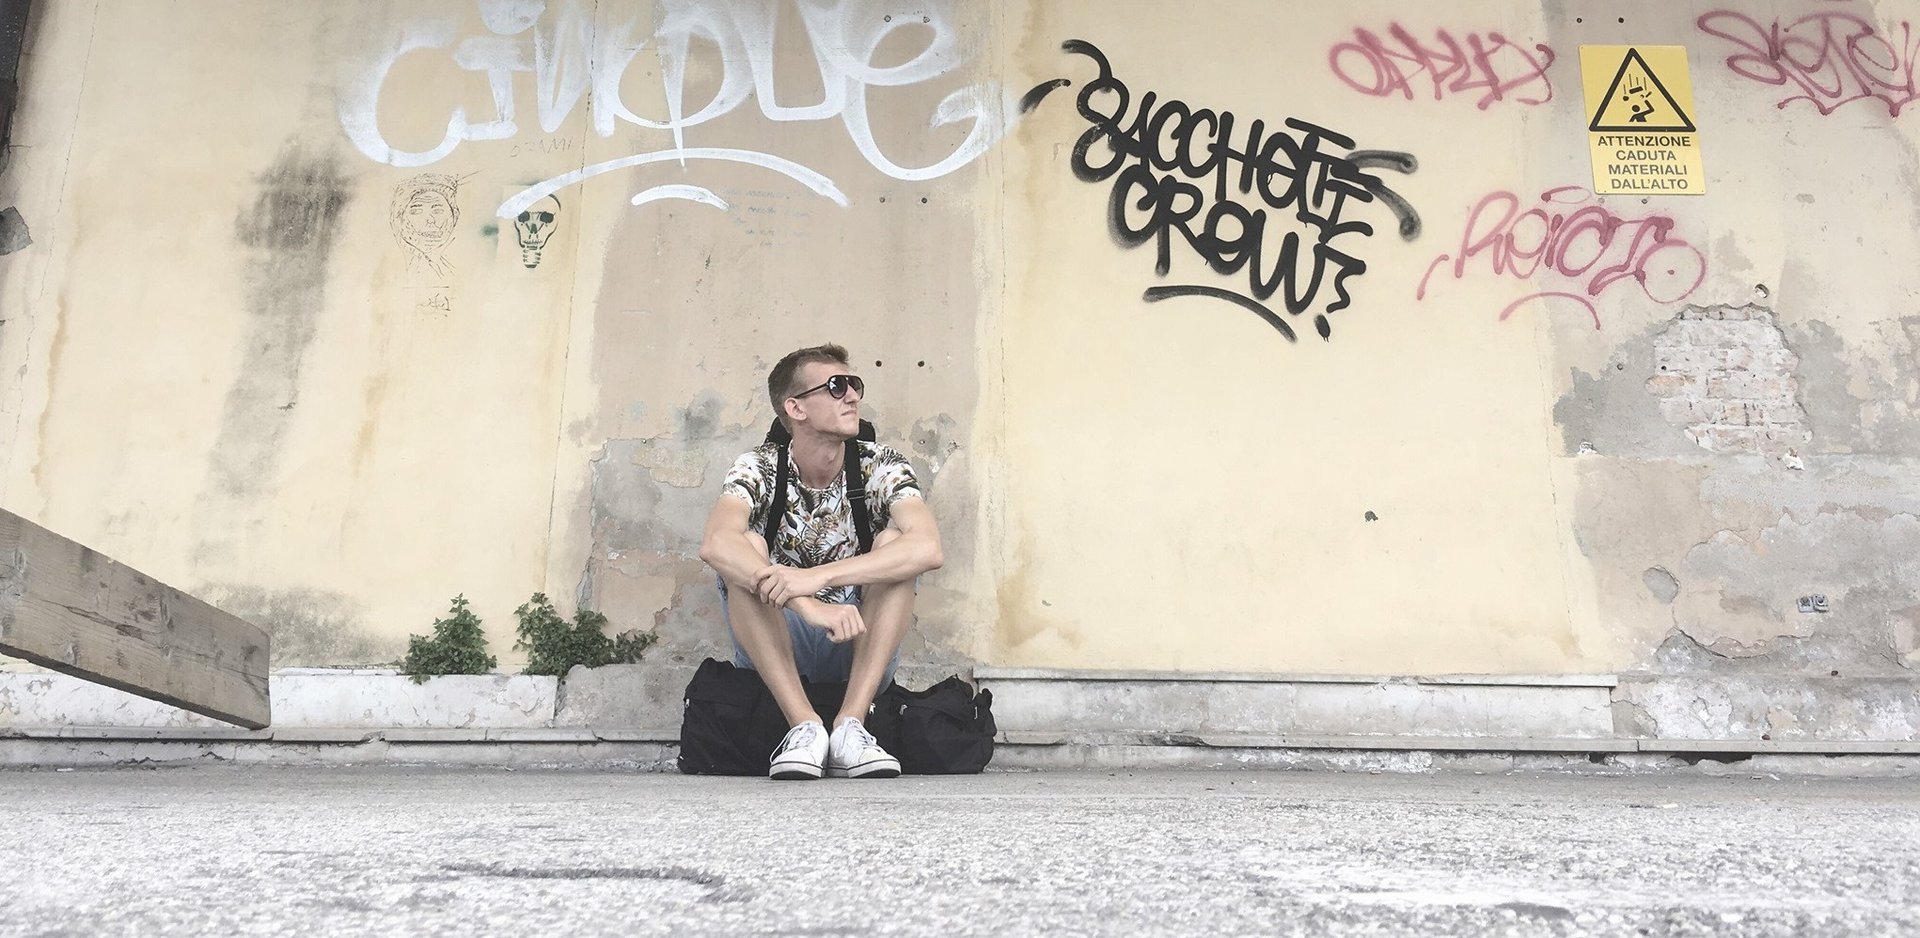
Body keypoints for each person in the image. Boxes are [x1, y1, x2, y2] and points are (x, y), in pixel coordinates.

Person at [698, 344, 944, 780]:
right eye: (835, 387)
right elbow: (716, 544)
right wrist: (807, 604)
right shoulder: (759, 467)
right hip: (781, 638)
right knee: (747, 547)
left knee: (895, 543)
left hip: (858, 636)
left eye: (854, 386)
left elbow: (928, 549)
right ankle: (805, 727)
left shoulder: (879, 464)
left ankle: (850, 727)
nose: (852, 396)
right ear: (795, 408)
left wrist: (812, 579)